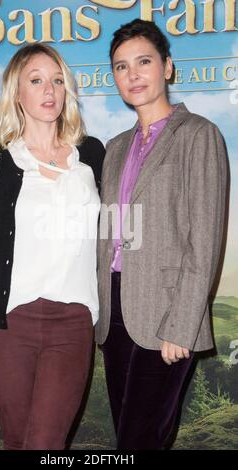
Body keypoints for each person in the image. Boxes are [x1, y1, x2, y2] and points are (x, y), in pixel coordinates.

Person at [0, 42, 105, 450]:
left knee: (44, 444)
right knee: (18, 442)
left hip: (72, 323)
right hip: (9, 326)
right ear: (16, 94)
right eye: (36, 81)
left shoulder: (91, 156)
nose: (49, 90)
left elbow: (119, 234)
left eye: (57, 81)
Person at [95, 18, 228, 450]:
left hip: (168, 312)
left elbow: (204, 239)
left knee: (139, 439)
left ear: (167, 67)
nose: (132, 75)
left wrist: (183, 324)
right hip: (113, 310)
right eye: (120, 67)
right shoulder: (114, 147)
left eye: (143, 61)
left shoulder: (199, 135)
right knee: (132, 433)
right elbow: (108, 230)